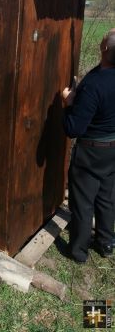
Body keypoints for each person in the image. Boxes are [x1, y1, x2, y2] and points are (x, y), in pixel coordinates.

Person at [62, 28, 115, 263]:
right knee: (106, 197)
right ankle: (106, 242)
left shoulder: (94, 85)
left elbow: (74, 129)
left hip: (91, 151)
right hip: (112, 149)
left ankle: (78, 252)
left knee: (83, 201)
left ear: (104, 49)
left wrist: (68, 104)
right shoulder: (99, 77)